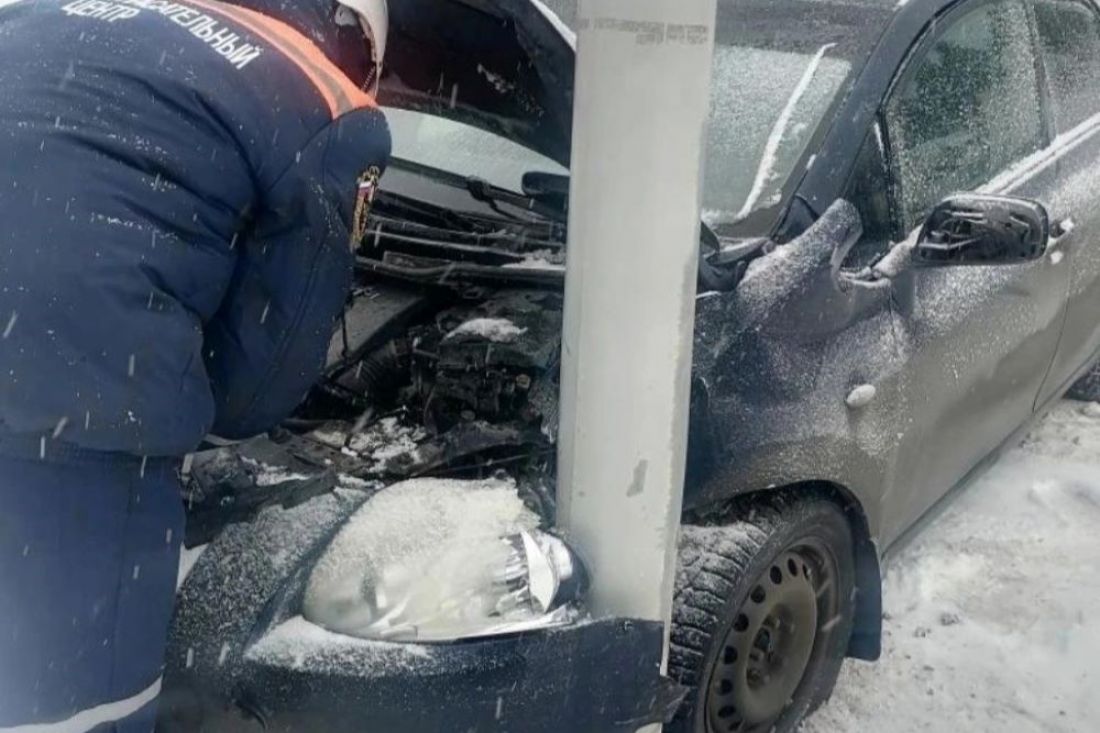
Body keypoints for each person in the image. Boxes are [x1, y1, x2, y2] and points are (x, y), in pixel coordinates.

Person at [0, 0, 391, 729]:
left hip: (42, 381)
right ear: (352, 39)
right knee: (71, 712)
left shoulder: (38, 13)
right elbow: (263, 377)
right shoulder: (328, 101)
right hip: (73, 434)